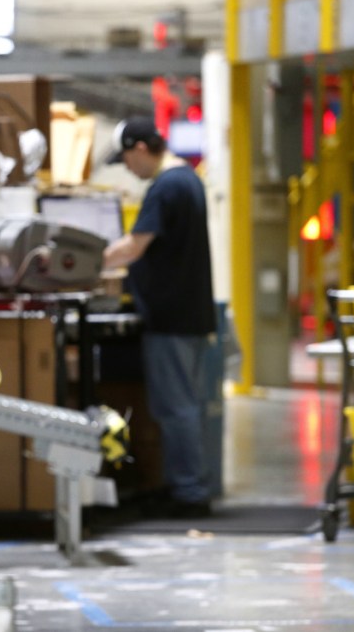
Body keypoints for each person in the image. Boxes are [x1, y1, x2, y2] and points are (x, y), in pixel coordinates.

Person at [102, 116, 216, 518]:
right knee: (185, 405)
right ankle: (186, 486)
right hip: (189, 313)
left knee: (175, 408)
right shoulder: (188, 179)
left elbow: (135, 246)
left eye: (128, 160)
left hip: (172, 317)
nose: (129, 169)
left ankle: (190, 494)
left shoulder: (166, 186)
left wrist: (87, 261)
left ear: (139, 149)